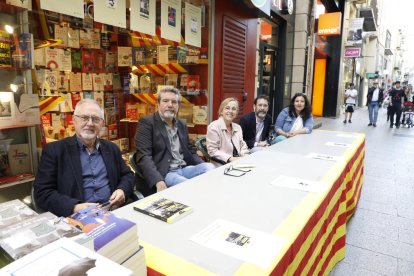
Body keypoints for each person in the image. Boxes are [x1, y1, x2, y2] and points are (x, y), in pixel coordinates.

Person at [34, 99, 135, 217]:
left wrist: (122, 190)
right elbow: (42, 192)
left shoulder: (111, 148)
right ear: (74, 120)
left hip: (113, 211)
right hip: (78, 217)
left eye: (95, 119)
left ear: (102, 124)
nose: (90, 123)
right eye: (84, 118)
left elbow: (128, 175)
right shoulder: (54, 151)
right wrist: (74, 207)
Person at [134, 87, 214, 195]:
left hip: (184, 168)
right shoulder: (147, 123)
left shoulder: (181, 124)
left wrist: (201, 165)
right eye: (165, 101)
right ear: (158, 103)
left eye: (174, 102)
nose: (170, 105)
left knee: (210, 168)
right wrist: (158, 181)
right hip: (165, 173)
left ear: (178, 106)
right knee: (191, 188)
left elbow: (190, 150)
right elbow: (144, 156)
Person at [206, 98, 250, 164]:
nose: (230, 111)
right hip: (222, 165)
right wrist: (230, 158)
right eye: (227, 108)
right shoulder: (214, 126)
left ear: (236, 113)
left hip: (238, 162)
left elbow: (242, 145)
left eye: (234, 109)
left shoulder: (238, 127)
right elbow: (212, 151)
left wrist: (245, 155)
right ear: (221, 111)